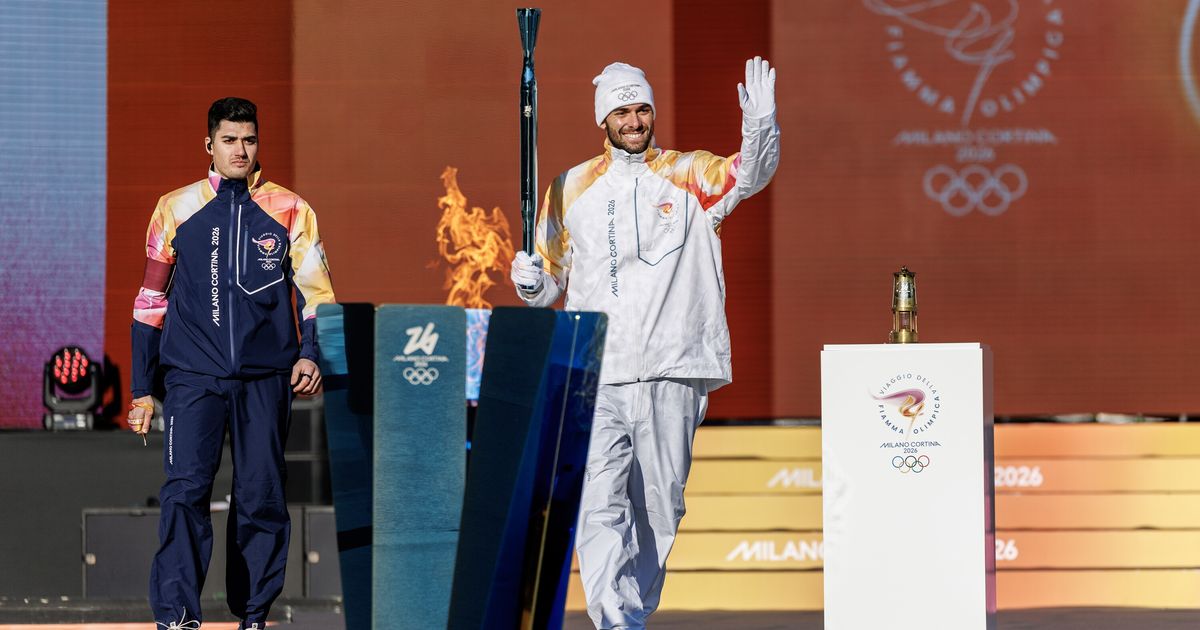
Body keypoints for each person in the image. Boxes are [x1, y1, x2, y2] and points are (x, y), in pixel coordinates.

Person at [510, 58, 780, 628]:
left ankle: (631, 614)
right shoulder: (569, 188)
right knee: (597, 503)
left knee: (660, 510)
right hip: (597, 371)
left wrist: (760, 124)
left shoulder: (689, 175)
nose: (633, 121)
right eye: (622, 112)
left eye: (642, 110)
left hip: (672, 368)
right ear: (603, 120)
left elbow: (750, 173)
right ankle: (614, 620)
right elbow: (550, 283)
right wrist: (531, 282)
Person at [127, 97, 335, 630]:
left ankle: (254, 614)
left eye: (249, 140)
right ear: (209, 145)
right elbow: (149, 301)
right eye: (229, 140)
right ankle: (177, 618)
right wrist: (141, 389)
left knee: (261, 495)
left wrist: (310, 354)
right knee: (185, 491)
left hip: (265, 378)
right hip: (192, 376)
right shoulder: (175, 208)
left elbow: (317, 294)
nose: (240, 150)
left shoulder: (291, 209)